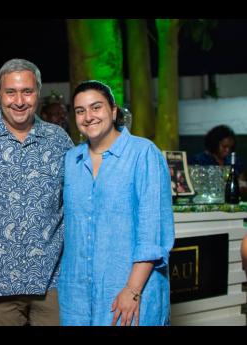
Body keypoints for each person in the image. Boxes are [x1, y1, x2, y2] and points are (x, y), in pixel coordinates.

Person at [58, 80, 175, 326]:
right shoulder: (71, 161)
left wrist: (132, 291)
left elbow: (152, 233)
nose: (88, 116)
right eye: (80, 111)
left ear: (113, 111)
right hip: (77, 299)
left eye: (96, 107)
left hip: (129, 295)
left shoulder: (144, 154)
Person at [0, 58, 74, 326]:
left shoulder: (58, 139)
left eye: (27, 91)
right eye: (11, 92)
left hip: (51, 282)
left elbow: (79, 202)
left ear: (38, 92)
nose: (19, 100)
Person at [190, 124, 247, 199]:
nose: (227, 150)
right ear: (214, 144)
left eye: (231, 147)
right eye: (224, 146)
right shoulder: (199, 160)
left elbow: (242, 185)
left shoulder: (235, 160)